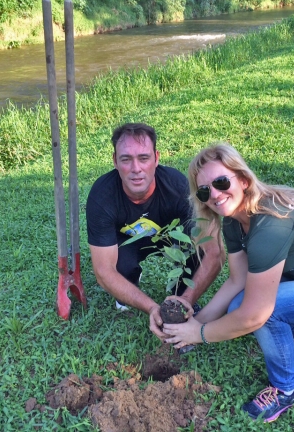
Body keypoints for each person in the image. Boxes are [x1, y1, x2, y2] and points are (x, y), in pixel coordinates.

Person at [163, 143, 294, 423]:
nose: (214, 195)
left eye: (220, 182)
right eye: (205, 191)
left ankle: (285, 389)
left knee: (262, 312)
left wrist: (200, 333)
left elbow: (254, 315)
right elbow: (237, 279)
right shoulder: (233, 218)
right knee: (241, 302)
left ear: (242, 179)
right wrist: (196, 322)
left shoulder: (270, 224)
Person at [86, 123, 223, 340]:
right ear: (114, 161)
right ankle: (130, 279)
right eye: (126, 159)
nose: (136, 168)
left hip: (171, 237)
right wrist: (151, 307)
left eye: (143, 158)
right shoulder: (101, 196)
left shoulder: (178, 187)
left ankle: (180, 297)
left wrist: (187, 298)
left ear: (156, 158)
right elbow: (103, 271)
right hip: (127, 243)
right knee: (120, 268)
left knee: (200, 250)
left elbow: (214, 252)